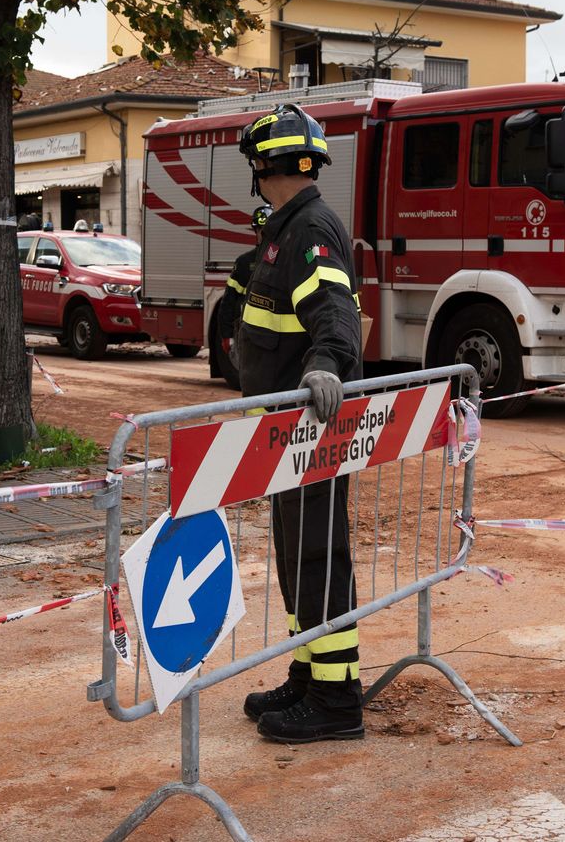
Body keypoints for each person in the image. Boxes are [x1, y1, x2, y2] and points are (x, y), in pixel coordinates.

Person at [234, 103, 364, 743]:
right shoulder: (285, 229)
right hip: (288, 435)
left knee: (319, 556)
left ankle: (337, 702)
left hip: (312, 430)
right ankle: (309, 674)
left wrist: (324, 367)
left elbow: (333, 313)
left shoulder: (311, 228)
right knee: (297, 557)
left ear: (264, 167)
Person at [217, 204, 271, 375]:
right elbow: (229, 301)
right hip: (248, 335)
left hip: (276, 337)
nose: (264, 234)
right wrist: (227, 335)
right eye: (261, 230)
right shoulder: (245, 263)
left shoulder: (285, 258)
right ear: (255, 231)